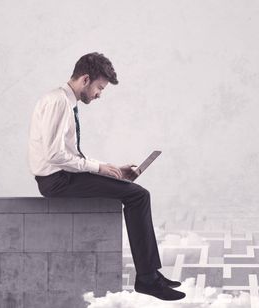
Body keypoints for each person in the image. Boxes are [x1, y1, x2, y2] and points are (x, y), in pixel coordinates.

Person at [27, 52, 185, 301]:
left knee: (129, 187)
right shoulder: (58, 102)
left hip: (63, 176)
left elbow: (68, 153)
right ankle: (147, 279)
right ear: (86, 79)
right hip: (56, 181)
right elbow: (54, 155)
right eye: (100, 88)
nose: (100, 94)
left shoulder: (65, 101)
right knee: (138, 196)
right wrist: (100, 169)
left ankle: (151, 274)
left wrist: (111, 169)